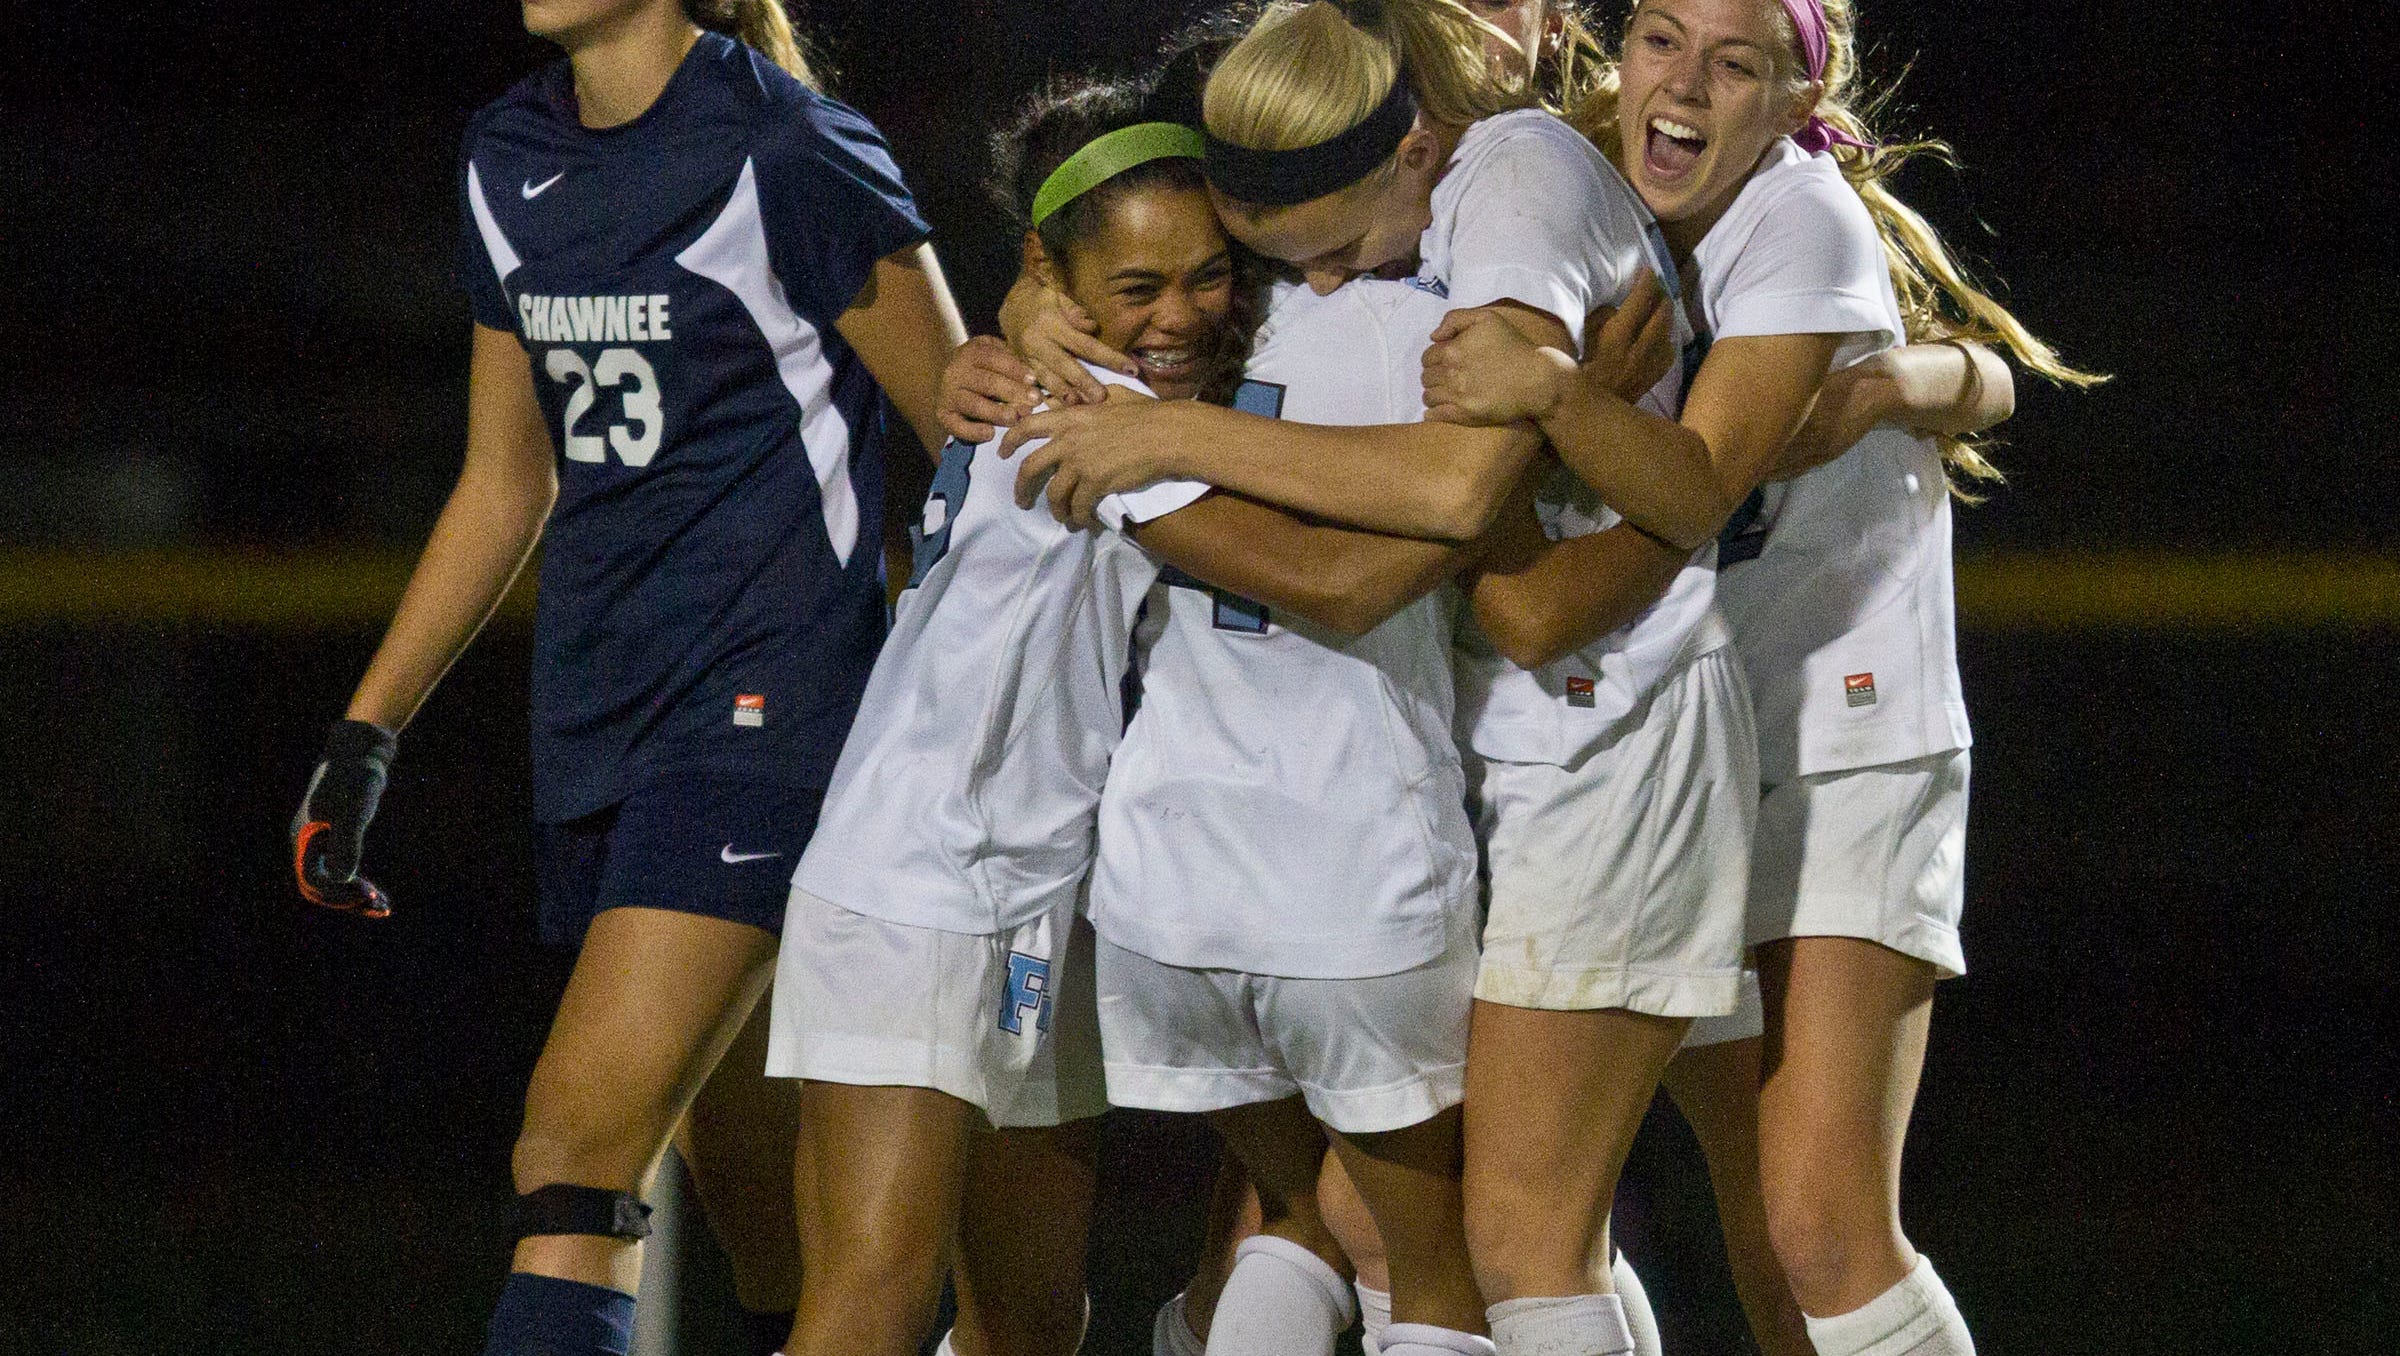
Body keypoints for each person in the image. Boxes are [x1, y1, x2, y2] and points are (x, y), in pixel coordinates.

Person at [770, 74, 1500, 1356]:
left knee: (1033, 1327)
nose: (1178, 315)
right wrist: (1495, 482)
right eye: (1138, 288)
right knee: (871, 1312)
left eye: (1206, 275)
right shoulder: (1080, 420)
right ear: (1054, 274)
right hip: (914, 888)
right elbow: (1332, 581)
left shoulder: (1122, 385)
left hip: (1046, 897)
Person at [285, 5, 964, 1355]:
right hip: (604, 716)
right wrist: (367, 732)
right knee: (767, 1222)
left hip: (772, 708)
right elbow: (503, 480)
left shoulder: (787, 146)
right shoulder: (508, 149)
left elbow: (970, 427)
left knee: (573, 1146)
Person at [1426, 2, 2098, 1353]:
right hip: (1692, 738)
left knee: (1821, 1225)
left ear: (1797, 98)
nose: (1681, 82)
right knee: (1751, 1231)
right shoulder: (1573, 172)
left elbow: (1691, 488)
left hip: (1846, 729)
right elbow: (1980, 380)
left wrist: (1560, 401)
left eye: (1731, 63)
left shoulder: (1799, 219)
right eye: (1660, 38)